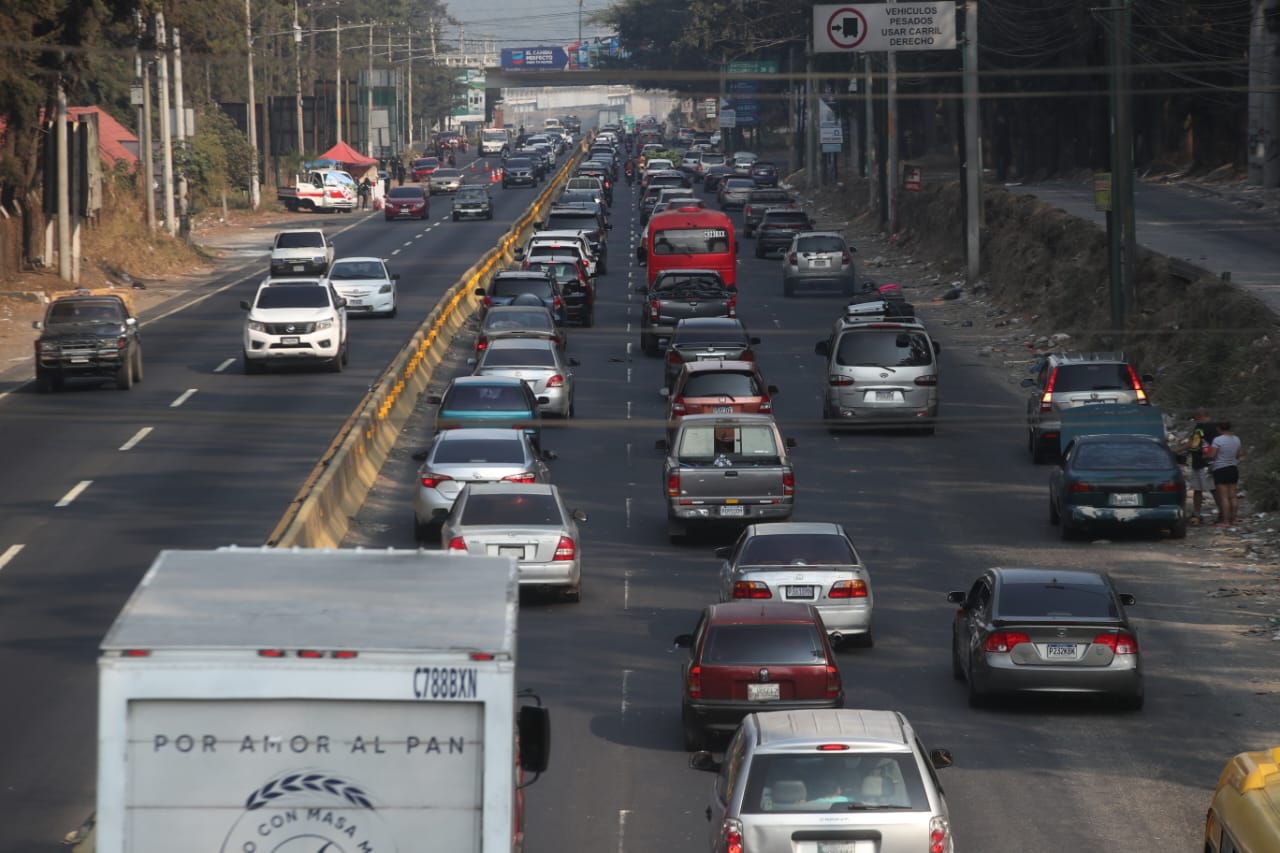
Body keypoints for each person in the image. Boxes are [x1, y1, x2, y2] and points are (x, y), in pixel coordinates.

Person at [1179, 408, 1216, 524]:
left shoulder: (1203, 427)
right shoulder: (1211, 427)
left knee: (1213, 489)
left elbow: (1194, 443)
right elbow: (1195, 444)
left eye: (1195, 418)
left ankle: (1223, 514)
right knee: (1198, 489)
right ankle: (1197, 513)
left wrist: (1177, 449)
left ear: (1200, 416)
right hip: (1199, 462)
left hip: (1205, 463)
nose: (1195, 420)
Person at [1204, 420, 1243, 527]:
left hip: (1220, 469)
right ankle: (1234, 520)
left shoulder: (1217, 440)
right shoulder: (1236, 439)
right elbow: (1239, 454)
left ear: (1218, 428)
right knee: (1233, 495)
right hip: (1233, 468)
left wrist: (1205, 455)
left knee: (1224, 497)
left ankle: (1225, 521)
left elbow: (1212, 455)